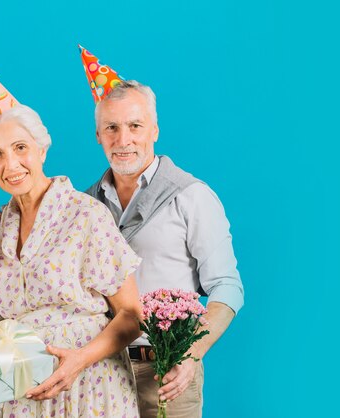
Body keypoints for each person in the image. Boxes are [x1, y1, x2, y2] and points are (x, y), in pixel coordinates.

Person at [84, 69, 244, 417]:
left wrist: (191, 354)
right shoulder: (83, 207)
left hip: (168, 372)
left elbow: (228, 288)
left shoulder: (192, 197)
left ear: (154, 130)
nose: (123, 138)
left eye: (135, 126)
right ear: (98, 135)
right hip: (100, 375)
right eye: (111, 127)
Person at [0, 103, 144, 418]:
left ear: (42, 150)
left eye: (20, 147)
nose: (11, 164)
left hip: (92, 388)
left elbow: (131, 315)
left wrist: (78, 360)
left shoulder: (86, 215)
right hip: (20, 400)